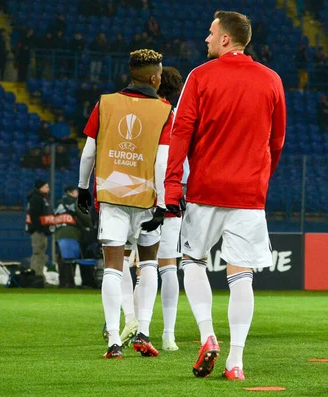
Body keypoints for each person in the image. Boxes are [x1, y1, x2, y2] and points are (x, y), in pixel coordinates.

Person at [165, 11, 286, 381]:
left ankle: (207, 335)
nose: (206, 38)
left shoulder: (200, 77)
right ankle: (236, 361)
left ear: (225, 39)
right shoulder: (272, 80)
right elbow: (277, 140)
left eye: (210, 32)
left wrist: (172, 185)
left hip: (206, 189)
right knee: (242, 276)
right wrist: (261, 177)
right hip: (249, 193)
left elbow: (181, 131)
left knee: (193, 261)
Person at [77, 49, 173, 359]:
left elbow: (89, 151)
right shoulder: (164, 110)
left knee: (113, 270)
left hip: (112, 197)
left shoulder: (105, 103)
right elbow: (162, 163)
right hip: (147, 200)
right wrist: (162, 204)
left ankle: (114, 340)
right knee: (148, 265)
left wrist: (82, 188)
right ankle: (143, 332)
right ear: (155, 78)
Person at [156, 65, 185, 351]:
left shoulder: (148, 113)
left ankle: (132, 325)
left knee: (138, 266)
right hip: (172, 196)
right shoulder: (177, 117)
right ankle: (168, 335)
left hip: (140, 197)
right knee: (168, 266)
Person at [54, 186, 93, 288]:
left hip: (59, 234)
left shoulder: (59, 203)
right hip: (73, 234)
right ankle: (71, 283)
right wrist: (89, 225)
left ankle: (64, 282)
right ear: (71, 192)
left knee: (63, 259)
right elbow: (84, 216)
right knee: (73, 259)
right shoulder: (76, 202)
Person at [25, 179, 54, 287]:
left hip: (42, 230)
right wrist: (39, 228)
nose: (48, 188)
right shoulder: (36, 198)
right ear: (40, 187)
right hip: (38, 231)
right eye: (46, 186)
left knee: (41, 254)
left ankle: (39, 276)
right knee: (38, 253)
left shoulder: (42, 197)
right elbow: (34, 215)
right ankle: (36, 277)